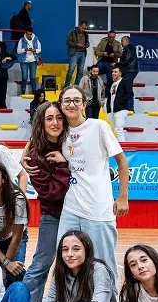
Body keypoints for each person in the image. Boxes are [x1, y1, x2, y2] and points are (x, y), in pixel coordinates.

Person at [24, 86, 129, 279]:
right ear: (61, 104)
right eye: (67, 101)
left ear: (84, 103)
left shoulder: (99, 127)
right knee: (66, 266)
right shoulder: (63, 133)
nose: (72, 104)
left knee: (103, 267)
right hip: (69, 210)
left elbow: (122, 162)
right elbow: (38, 135)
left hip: (97, 210)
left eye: (76, 100)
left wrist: (123, 196)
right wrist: (26, 153)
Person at [21, 102, 70, 302]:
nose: (55, 123)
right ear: (41, 122)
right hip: (54, 214)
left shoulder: (72, 143)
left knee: (78, 264)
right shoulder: (34, 155)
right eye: (49, 118)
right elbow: (51, 193)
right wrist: (64, 165)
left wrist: (67, 159)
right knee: (42, 263)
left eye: (59, 118)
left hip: (81, 213)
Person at [107, 64, 131, 142]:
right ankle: (118, 150)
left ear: (120, 73)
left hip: (121, 109)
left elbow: (130, 94)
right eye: (112, 72)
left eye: (115, 72)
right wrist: (109, 110)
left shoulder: (124, 81)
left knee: (118, 129)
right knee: (114, 130)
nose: (113, 73)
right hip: (113, 110)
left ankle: (123, 149)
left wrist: (119, 102)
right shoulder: (113, 84)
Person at [16, 28, 41, 95]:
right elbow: (18, 51)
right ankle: (23, 91)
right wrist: (25, 49)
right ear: (25, 33)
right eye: (28, 34)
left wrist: (34, 50)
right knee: (24, 77)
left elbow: (39, 49)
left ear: (32, 33)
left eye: (30, 34)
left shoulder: (36, 39)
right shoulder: (21, 40)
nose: (29, 36)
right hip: (24, 61)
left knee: (33, 77)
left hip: (33, 60)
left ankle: (34, 90)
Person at [64, 21, 89, 87]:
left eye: (85, 28)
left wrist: (87, 45)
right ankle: (66, 85)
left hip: (83, 53)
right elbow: (68, 42)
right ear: (79, 26)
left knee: (80, 71)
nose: (83, 29)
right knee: (71, 69)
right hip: (75, 52)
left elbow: (87, 42)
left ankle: (77, 85)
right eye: (82, 28)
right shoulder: (72, 32)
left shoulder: (86, 34)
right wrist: (76, 45)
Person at [120, 36, 139, 111]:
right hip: (129, 70)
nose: (121, 43)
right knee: (126, 88)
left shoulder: (129, 48)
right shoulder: (128, 48)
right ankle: (128, 107)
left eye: (122, 41)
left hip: (129, 70)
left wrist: (117, 64)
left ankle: (130, 108)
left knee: (128, 89)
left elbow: (126, 60)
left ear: (126, 41)